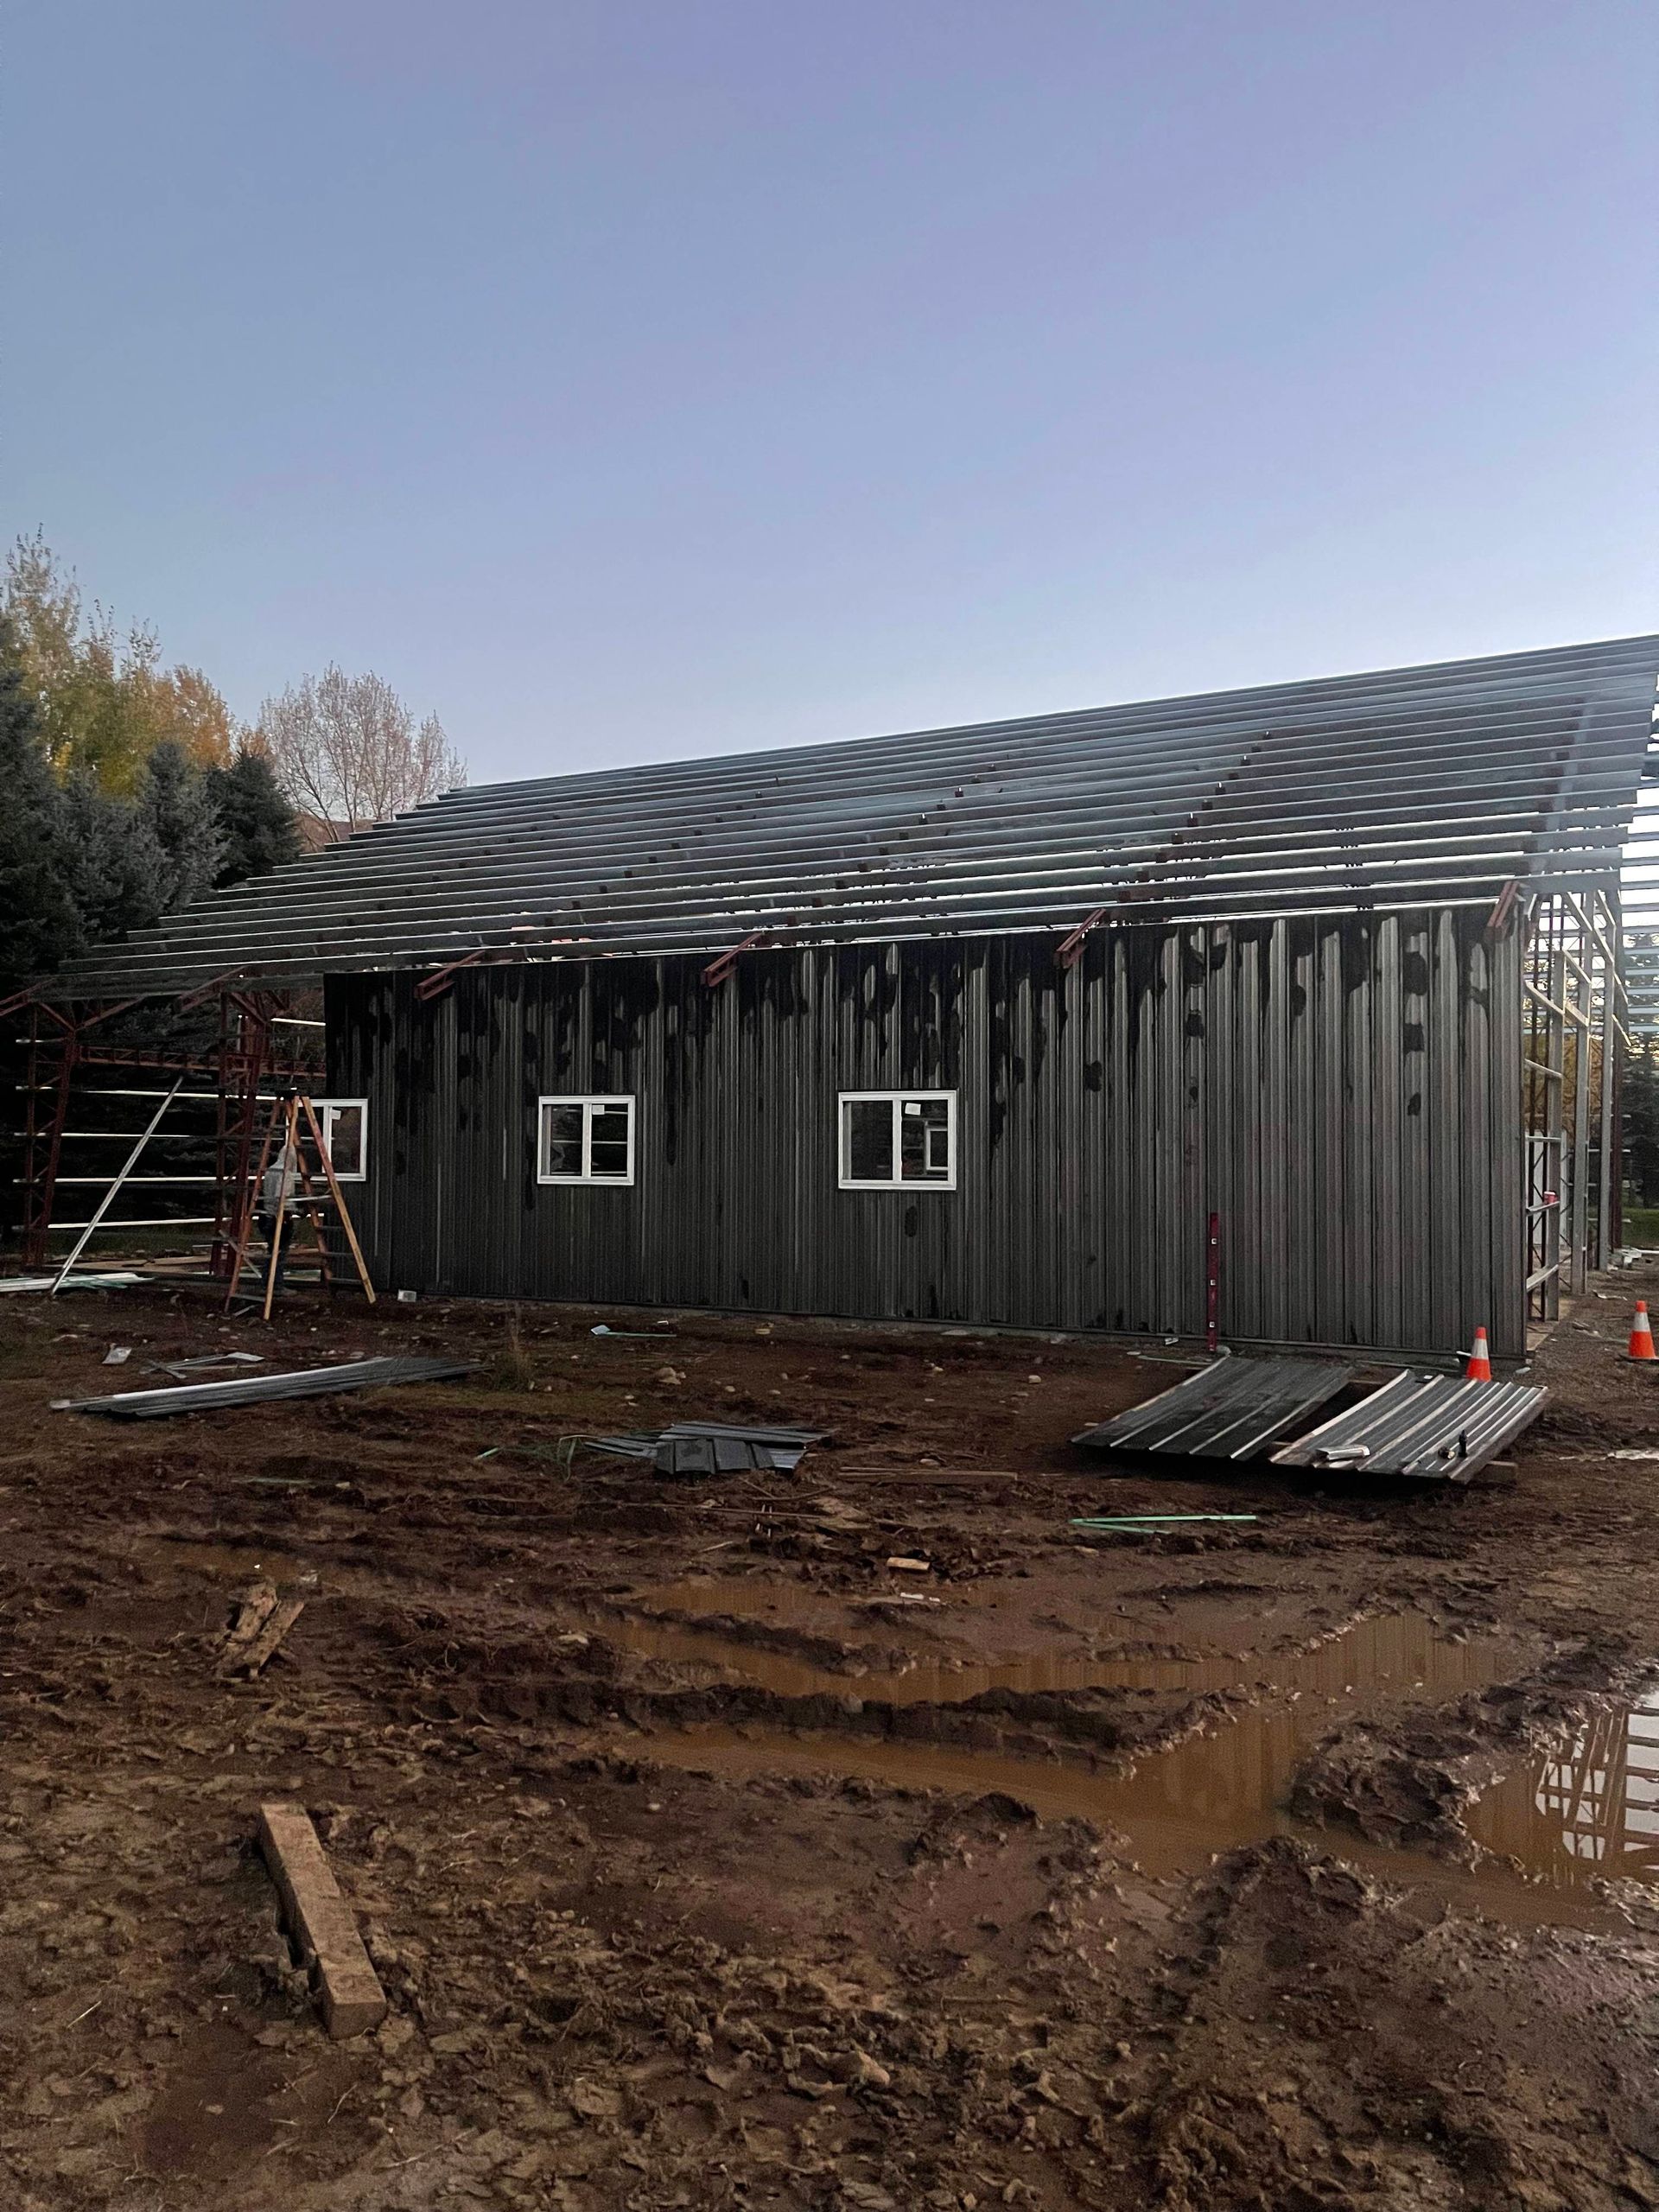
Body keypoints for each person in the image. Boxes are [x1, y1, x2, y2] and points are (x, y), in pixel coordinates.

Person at [256, 1120, 300, 1292]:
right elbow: (284, 1198)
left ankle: (265, 1284)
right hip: (278, 1219)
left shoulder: (270, 1170)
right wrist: (291, 1214)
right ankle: (277, 1286)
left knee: (271, 1252)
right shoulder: (286, 1174)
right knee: (280, 1253)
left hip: (266, 1216)